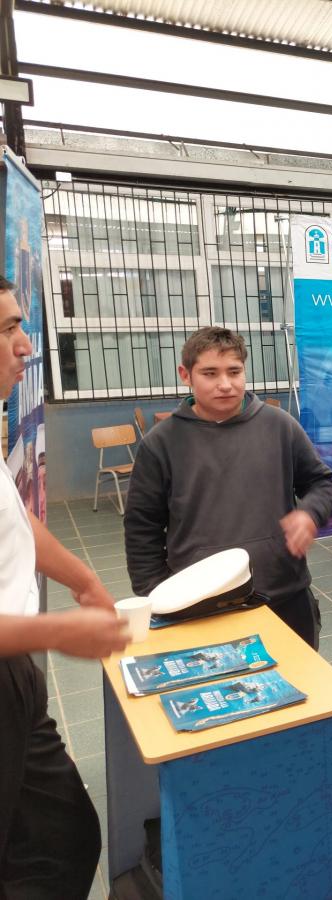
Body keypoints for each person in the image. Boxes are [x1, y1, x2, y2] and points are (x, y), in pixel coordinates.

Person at [123, 326, 332, 842]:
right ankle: (233, 812)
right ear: (185, 376)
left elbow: (321, 483)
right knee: (225, 713)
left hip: (283, 597)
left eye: (234, 371)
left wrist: (309, 514)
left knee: (300, 706)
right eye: (210, 373)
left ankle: (315, 803)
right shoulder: (162, 444)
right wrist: (157, 599)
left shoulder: (278, 426)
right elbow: (141, 528)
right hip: (199, 610)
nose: (225, 384)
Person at [1, 278, 129, 899]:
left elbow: (14, 521)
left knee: (65, 837)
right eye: (7, 329)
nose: (26, 345)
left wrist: (82, 578)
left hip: (15, 671)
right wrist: (57, 631)